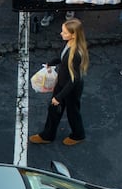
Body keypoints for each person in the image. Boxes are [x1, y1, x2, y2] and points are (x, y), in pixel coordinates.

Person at [29, 18, 89, 146]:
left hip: (70, 89)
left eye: (65, 32)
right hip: (62, 84)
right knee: (54, 110)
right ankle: (48, 135)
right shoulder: (69, 44)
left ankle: (78, 135)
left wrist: (59, 97)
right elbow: (62, 58)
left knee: (72, 112)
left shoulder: (76, 54)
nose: (62, 34)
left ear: (73, 35)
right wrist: (50, 63)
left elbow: (74, 80)